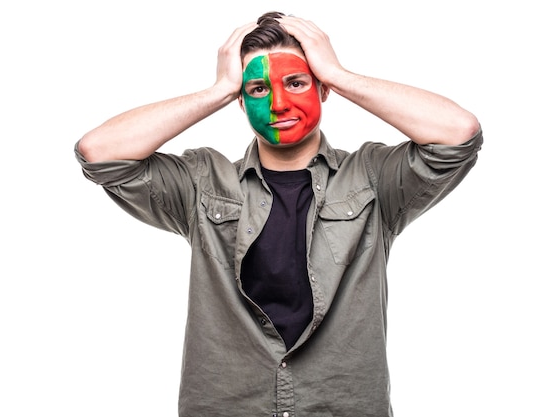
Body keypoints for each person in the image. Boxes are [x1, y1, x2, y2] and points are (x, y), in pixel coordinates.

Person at [75, 11, 482, 417]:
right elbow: (100, 152)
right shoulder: (203, 182)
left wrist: (338, 74)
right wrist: (218, 90)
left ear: (322, 89)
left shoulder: (374, 178)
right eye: (257, 89)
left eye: (297, 82)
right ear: (241, 100)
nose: (280, 103)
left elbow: (458, 134)